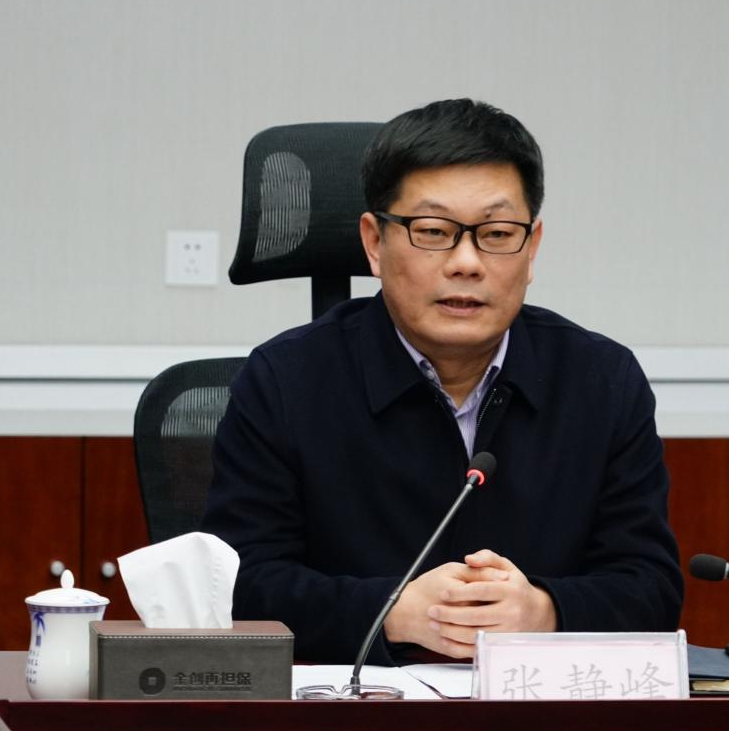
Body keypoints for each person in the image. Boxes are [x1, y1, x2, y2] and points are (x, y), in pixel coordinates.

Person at [202, 98, 683, 664]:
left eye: (497, 233)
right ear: (375, 243)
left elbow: (651, 587)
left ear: (532, 249)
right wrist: (394, 611)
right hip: (350, 709)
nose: (466, 263)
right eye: (433, 231)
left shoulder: (601, 381)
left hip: (536, 708)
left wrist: (545, 611)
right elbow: (240, 587)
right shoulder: (284, 382)